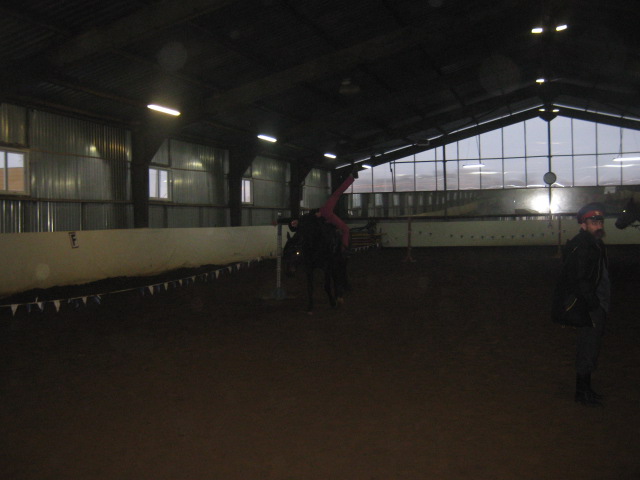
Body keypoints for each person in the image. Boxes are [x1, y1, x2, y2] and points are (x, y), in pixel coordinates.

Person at [552, 202, 610, 407]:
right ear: (583, 224)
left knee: (590, 346)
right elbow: (580, 279)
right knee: (588, 347)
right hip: (590, 305)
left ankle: (585, 389)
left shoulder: (593, 243)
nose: (598, 225)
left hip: (594, 303)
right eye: (593, 222)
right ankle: (582, 392)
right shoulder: (585, 246)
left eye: (600, 221)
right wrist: (593, 303)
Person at [289, 167, 358, 253]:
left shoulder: (305, 223)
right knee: (345, 229)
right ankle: (344, 250)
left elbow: (307, 217)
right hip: (325, 213)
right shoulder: (322, 212)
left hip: (323, 215)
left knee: (344, 228)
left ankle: (343, 249)